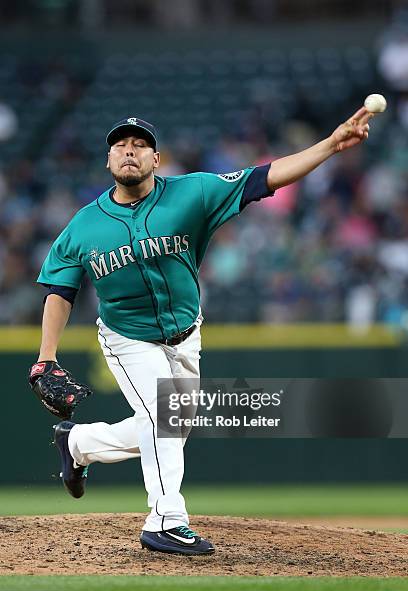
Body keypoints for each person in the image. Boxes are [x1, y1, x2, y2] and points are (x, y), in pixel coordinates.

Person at [31, 110, 372, 556]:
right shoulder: (83, 225)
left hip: (186, 334)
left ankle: (77, 443)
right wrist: (46, 356)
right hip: (127, 338)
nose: (128, 150)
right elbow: (60, 291)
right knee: (161, 413)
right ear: (107, 160)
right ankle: (166, 521)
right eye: (119, 145)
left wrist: (329, 144)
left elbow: (264, 178)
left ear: (157, 158)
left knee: (168, 425)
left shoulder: (193, 192)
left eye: (139, 144)